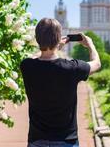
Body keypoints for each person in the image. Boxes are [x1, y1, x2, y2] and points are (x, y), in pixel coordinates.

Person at [20, 18, 101, 147]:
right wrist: (91, 45)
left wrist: (53, 46)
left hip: (37, 141)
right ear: (58, 39)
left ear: (36, 38)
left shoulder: (27, 66)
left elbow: (36, 56)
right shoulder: (72, 68)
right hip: (66, 140)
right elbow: (97, 63)